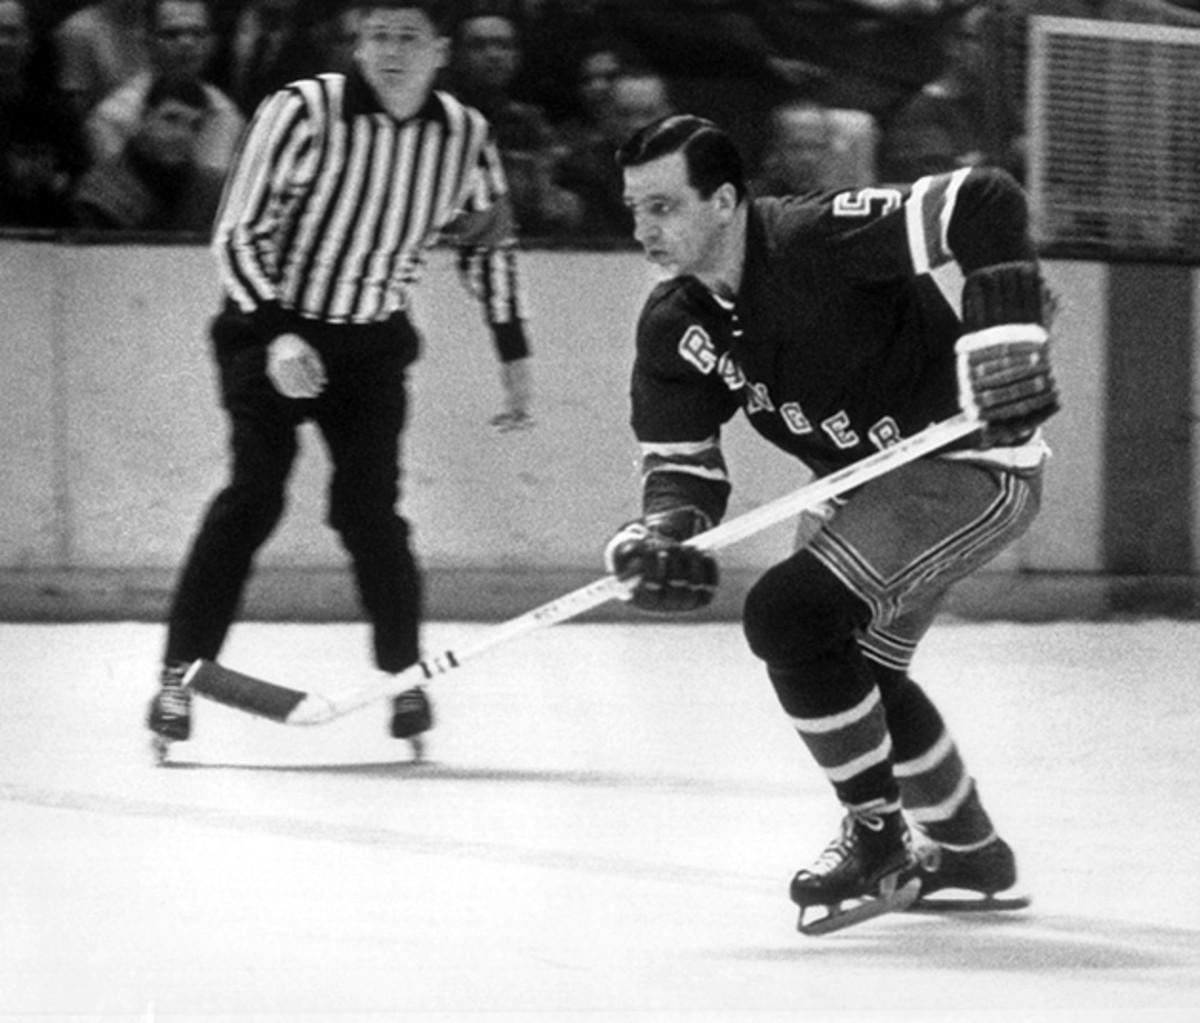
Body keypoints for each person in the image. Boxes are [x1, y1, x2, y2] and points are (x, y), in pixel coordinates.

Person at [605, 115, 1059, 932]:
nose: (645, 230)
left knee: (789, 613)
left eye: (665, 207)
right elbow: (683, 467)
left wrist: (1004, 327)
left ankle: (877, 837)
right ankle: (967, 850)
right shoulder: (675, 323)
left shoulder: (818, 237)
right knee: (852, 669)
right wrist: (665, 533)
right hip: (861, 486)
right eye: (636, 209)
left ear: (726, 201)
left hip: (971, 465)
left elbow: (982, 200)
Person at [147, 0, 534, 752]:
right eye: (377, 36)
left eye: (408, 38)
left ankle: (403, 679)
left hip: (370, 341)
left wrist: (513, 355)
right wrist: (280, 333)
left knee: (370, 513)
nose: (389, 51)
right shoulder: (302, 109)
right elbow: (236, 233)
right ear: (357, 43)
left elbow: (490, 246)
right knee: (253, 494)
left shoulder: (463, 136)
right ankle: (176, 678)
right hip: (269, 325)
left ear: (440, 50)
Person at [445, 3, 581, 237]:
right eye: (479, 46)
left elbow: (548, 195)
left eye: (504, 46)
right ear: (455, 55)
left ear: (517, 56)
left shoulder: (530, 122)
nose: (494, 55)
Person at [85, 0, 246, 177]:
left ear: (212, 43)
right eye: (171, 34)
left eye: (197, 33)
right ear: (147, 42)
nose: (186, 43)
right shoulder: (112, 119)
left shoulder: (229, 117)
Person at [71, 72, 224, 230]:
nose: (183, 134)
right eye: (171, 119)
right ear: (145, 117)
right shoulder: (102, 192)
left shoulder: (212, 192)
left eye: (195, 125)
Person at [0, 0, 86, 227]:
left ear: (29, 41)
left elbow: (81, 183)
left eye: (12, 32)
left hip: (44, 245)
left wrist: (55, 182)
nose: (3, 43)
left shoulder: (58, 113)